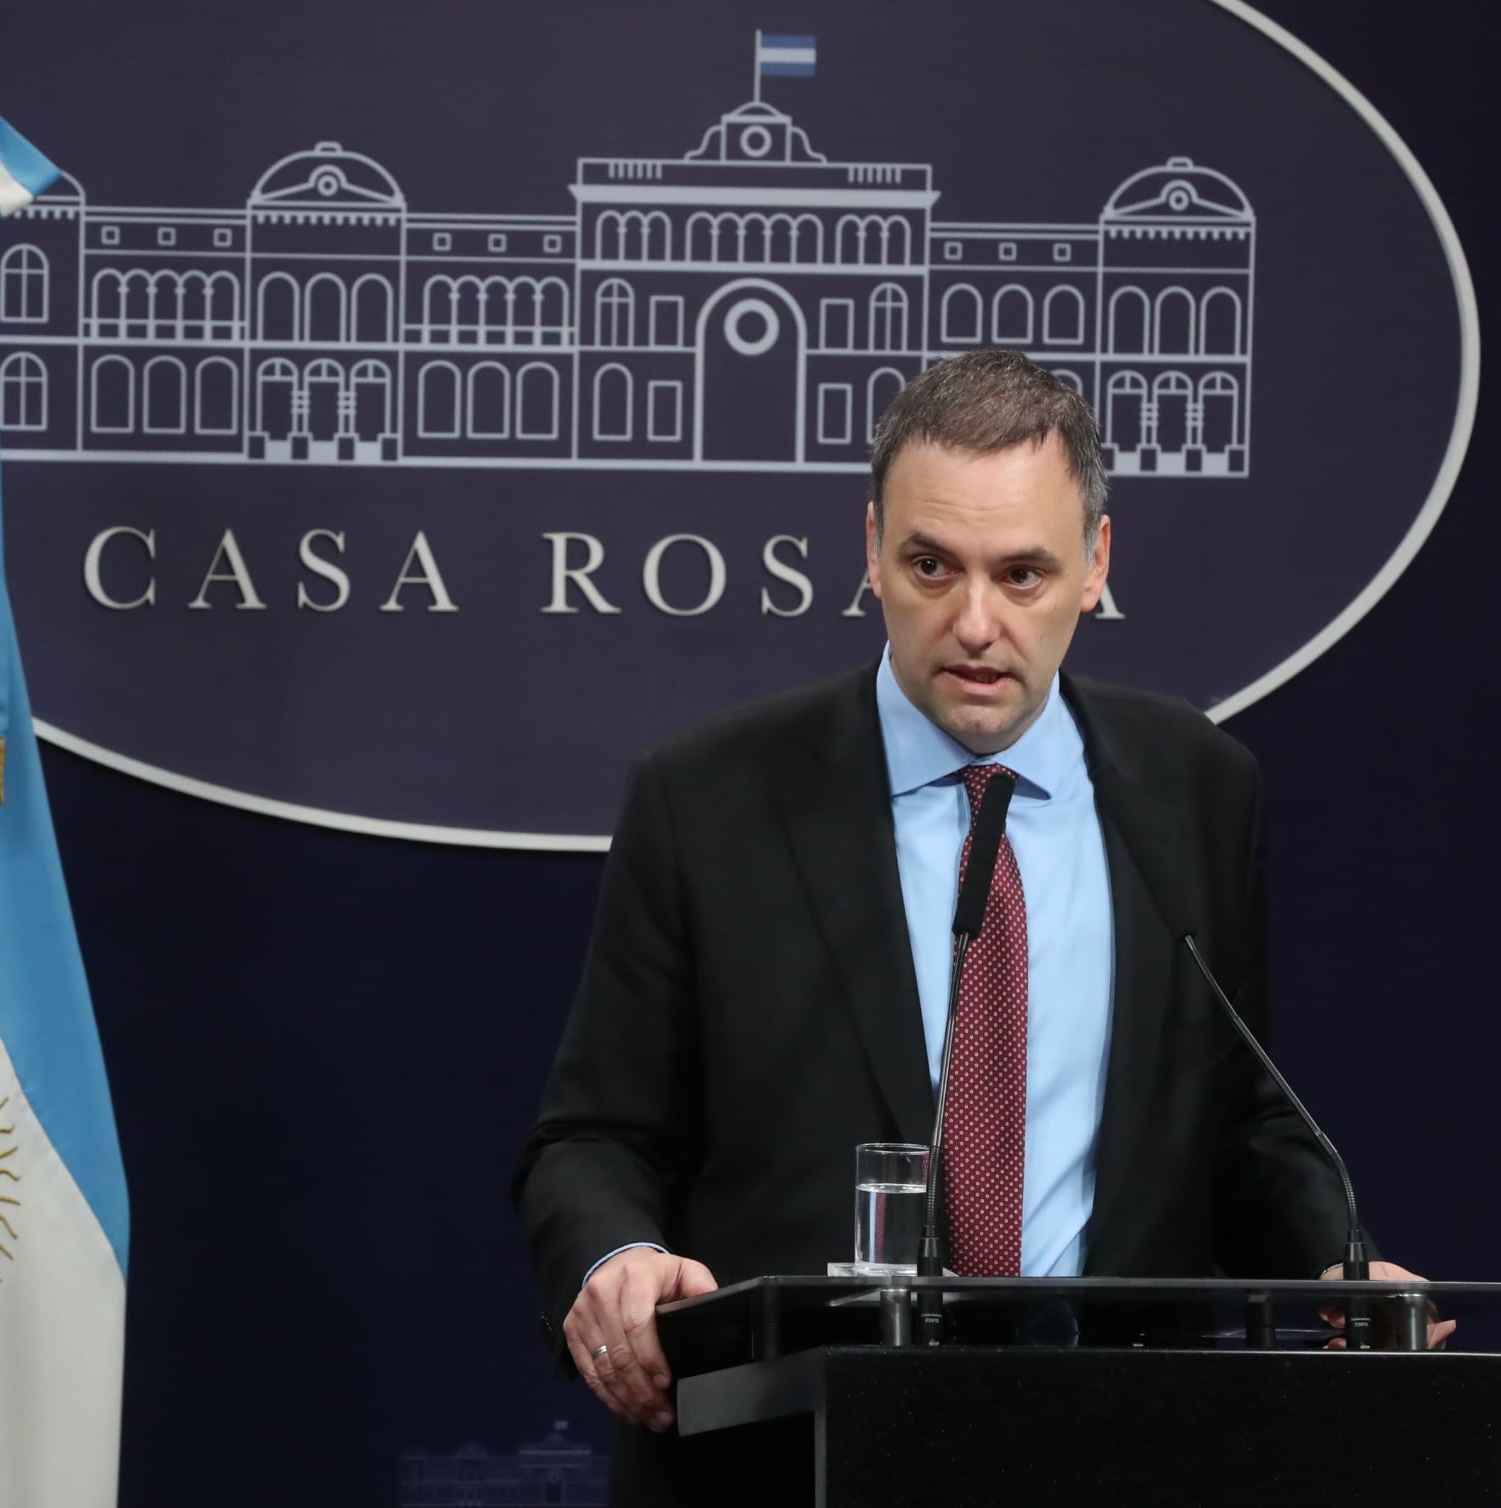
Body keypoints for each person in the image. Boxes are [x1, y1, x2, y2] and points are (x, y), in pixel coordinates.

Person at [511, 349, 1446, 1507]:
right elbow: (592, 1136)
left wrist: (1337, 1267)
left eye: (1022, 573)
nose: (974, 622)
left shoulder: (1195, 787)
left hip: (1116, 1452)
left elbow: (1238, 1117)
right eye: (930, 565)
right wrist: (617, 1259)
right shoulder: (710, 797)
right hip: (786, 1460)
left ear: (1096, 564)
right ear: (870, 549)